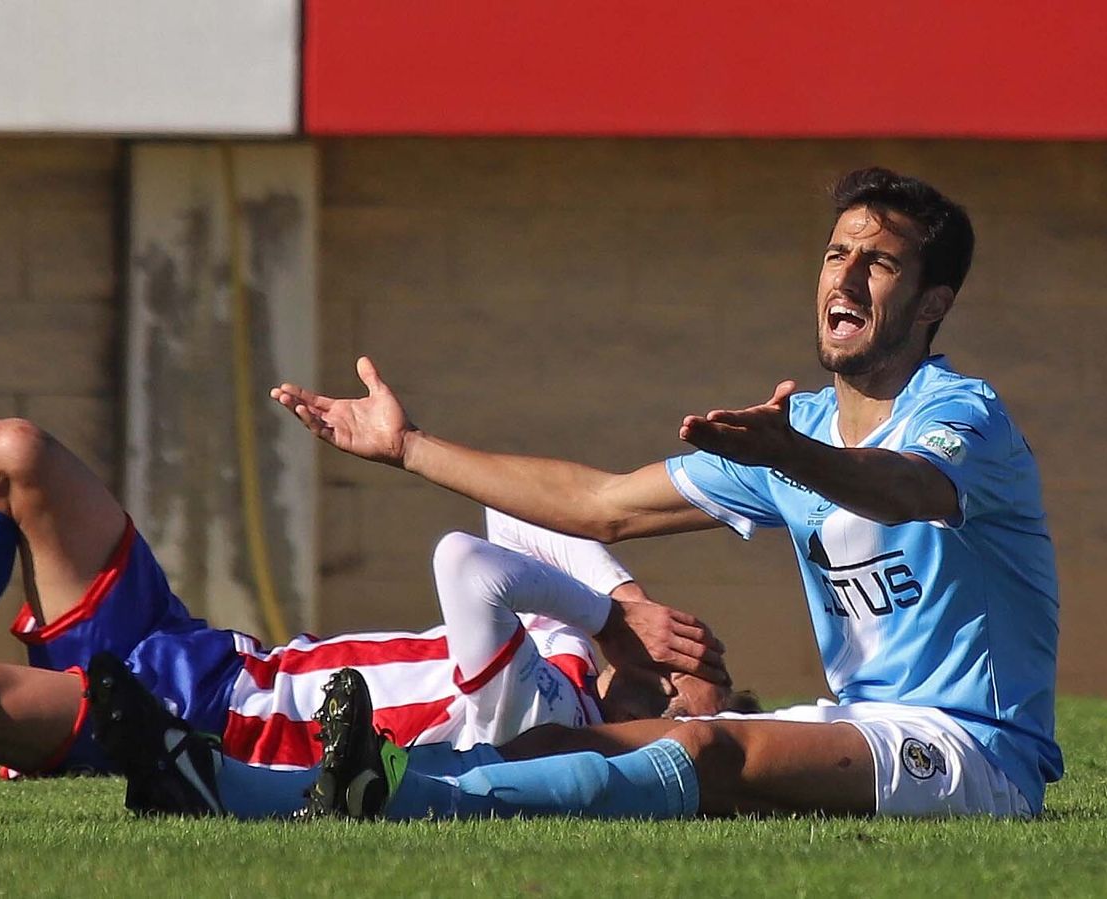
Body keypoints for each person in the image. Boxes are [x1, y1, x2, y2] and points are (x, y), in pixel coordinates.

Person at [265, 167, 1061, 820]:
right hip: (859, 724)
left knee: (707, 749)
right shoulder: (803, 428)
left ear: (933, 304)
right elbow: (601, 503)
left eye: (877, 262)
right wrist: (408, 447)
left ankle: (414, 805)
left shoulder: (962, 415)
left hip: (975, 747)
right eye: (834, 253)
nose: (844, 275)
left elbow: (906, 491)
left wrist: (792, 455)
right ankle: (267, 791)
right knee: (575, 743)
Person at [0, 419, 729, 786]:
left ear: (664, 717)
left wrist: (610, 619)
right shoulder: (567, 640)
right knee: (8, 452)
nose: (688, 646)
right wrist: (619, 592)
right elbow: (520, 520)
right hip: (210, 652)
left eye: (696, 672)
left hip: (200, 726)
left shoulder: (533, 723)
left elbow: (465, 562)